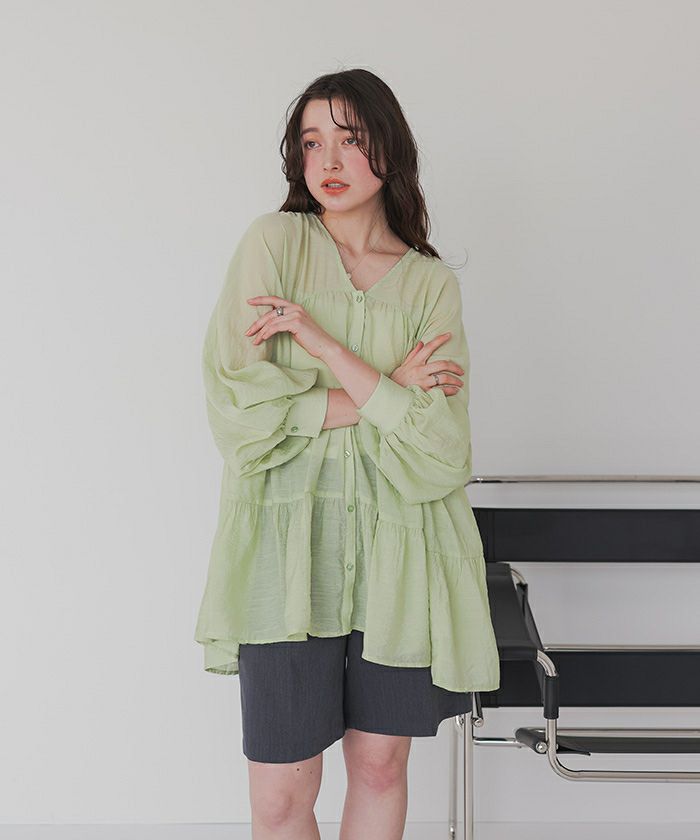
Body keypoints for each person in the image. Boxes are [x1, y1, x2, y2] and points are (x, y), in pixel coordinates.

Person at [194, 68, 500, 840]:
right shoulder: (273, 245)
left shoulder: (429, 286)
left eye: (350, 139)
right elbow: (240, 412)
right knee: (280, 795)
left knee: (380, 769)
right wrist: (387, 392)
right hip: (285, 558)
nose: (327, 160)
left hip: (401, 558)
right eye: (310, 142)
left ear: (388, 150)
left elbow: (440, 454)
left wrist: (325, 349)